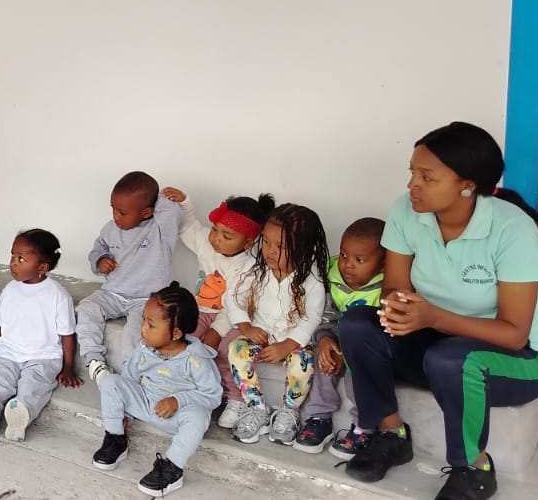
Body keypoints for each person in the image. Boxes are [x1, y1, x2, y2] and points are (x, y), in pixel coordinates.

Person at [340, 122, 538, 500]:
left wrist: (434, 317)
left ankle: (473, 468)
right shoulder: (406, 211)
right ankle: (391, 434)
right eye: (412, 173)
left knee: (453, 358)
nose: (412, 185)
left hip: (514, 359)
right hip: (433, 345)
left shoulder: (513, 230)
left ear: (467, 185)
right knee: (358, 324)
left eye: (427, 177)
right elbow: (394, 287)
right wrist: (400, 308)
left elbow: (514, 333)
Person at [93, 283, 222, 497]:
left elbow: (213, 396)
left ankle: (172, 468)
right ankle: (116, 439)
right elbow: (130, 379)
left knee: (199, 417)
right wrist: (125, 412)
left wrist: (178, 400)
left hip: (177, 417)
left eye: (151, 325)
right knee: (111, 382)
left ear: (176, 333)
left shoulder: (196, 359)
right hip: (146, 404)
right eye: (144, 320)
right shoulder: (145, 348)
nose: (143, 328)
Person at [162, 187, 275, 425]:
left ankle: (235, 398)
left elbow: (235, 304)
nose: (216, 238)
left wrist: (216, 331)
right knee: (185, 341)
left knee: (224, 349)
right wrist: (185, 202)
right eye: (215, 229)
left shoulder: (247, 266)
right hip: (203, 311)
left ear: (248, 242)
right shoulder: (208, 243)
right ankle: (190, 389)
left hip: (234, 317)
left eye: (227, 236)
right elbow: (189, 228)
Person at [222, 204, 328, 446]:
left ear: (303, 248)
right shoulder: (255, 268)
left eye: (280, 247)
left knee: (303, 361)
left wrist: (287, 345)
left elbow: (312, 318)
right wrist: (246, 328)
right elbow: (233, 297)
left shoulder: (312, 279)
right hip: (260, 334)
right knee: (237, 350)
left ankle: (289, 412)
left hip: (294, 341)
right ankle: (257, 408)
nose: (269, 251)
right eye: (267, 242)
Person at [0, 229, 80, 442]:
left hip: (43, 356)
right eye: (12, 255)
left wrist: (68, 367)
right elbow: (3, 324)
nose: (13, 263)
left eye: (21, 259)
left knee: (32, 385)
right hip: (10, 352)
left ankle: (21, 414)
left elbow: (67, 334)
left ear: (42, 267)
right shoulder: (10, 289)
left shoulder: (58, 295)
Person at [81, 172, 181, 383]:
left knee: (135, 331)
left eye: (122, 212)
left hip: (147, 300)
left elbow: (172, 212)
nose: (116, 216)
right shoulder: (110, 229)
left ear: (146, 212)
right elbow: (96, 250)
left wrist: (161, 197)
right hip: (113, 293)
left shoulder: (160, 230)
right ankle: (94, 360)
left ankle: (131, 374)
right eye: (113, 209)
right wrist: (100, 259)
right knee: (87, 308)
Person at [298, 218, 386, 456]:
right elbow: (320, 312)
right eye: (344, 255)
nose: (348, 265)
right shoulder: (330, 272)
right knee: (323, 357)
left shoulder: (387, 285)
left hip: (365, 343)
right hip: (334, 332)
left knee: (357, 368)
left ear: (383, 263)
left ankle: (364, 425)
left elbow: (382, 332)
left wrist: (347, 351)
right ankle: (319, 417)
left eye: (360, 260)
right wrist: (324, 338)